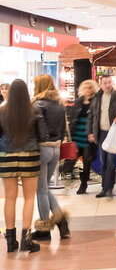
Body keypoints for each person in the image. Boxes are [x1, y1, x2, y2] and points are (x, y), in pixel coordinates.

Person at [1, 80, 42, 253]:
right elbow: (41, 135)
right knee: (29, 198)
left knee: (10, 198)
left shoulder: (1, 110)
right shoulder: (34, 110)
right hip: (30, 156)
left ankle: (10, 241)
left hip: (6, 156)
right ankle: (26, 240)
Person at [31, 75, 69, 241]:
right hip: (56, 149)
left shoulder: (37, 103)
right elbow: (63, 127)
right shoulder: (59, 104)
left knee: (41, 190)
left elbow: (40, 128)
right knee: (45, 188)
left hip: (43, 148)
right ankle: (62, 222)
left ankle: (44, 229)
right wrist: (56, 140)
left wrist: (43, 140)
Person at [87, 74, 116, 198]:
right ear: (100, 84)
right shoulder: (97, 97)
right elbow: (91, 116)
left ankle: (109, 188)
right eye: (105, 83)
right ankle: (104, 188)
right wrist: (90, 132)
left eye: (109, 82)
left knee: (112, 161)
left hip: (114, 134)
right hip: (101, 133)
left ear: (112, 83)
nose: (107, 85)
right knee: (103, 162)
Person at [65, 80, 98, 195]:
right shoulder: (78, 101)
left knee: (87, 160)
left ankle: (83, 183)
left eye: (90, 87)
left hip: (89, 135)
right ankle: (76, 176)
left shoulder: (96, 101)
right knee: (72, 158)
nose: (88, 90)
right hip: (77, 134)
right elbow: (73, 117)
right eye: (85, 87)